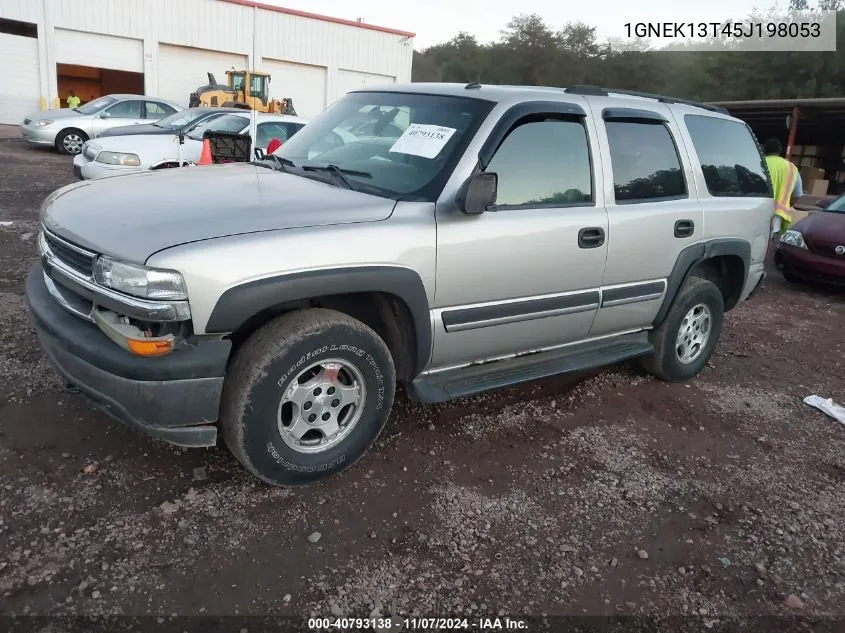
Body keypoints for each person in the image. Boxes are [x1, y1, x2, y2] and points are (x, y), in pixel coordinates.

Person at [763, 138, 803, 237]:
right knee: (769, 248)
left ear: (764, 150)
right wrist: (785, 204)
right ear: (780, 150)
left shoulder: (759, 163)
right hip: (777, 218)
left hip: (755, 214)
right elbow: (797, 195)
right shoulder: (792, 168)